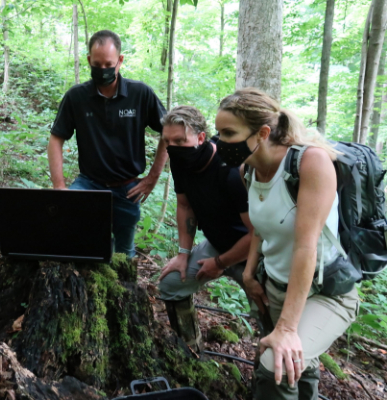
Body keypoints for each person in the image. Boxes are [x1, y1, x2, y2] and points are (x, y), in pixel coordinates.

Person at [215, 88, 358, 400]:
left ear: (263, 132)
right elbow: (260, 229)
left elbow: (306, 245)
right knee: (298, 369)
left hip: (324, 291)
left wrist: (288, 329)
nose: (221, 142)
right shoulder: (247, 170)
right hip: (275, 287)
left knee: (274, 367)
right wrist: (250, 274)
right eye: (219, 132)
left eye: (229, 133)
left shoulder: (310, 163)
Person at [47, 30, 167, 257]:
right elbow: (56, 138)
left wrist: (152, 178)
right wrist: (59, 186)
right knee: (70, 229)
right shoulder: (77, 97)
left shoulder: (140, 94)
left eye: (109, 64)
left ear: (120, 60)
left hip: (128, 187)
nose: (103, 70)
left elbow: (169, 133)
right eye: (97, 64)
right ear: (89, 60)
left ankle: (124, 288)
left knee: (124, 252)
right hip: (89, 183)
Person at [157, 106, 254, 350]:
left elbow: (257, 235)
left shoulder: (232, 170)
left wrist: (220, 263)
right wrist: (183, 254)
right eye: (167, 141)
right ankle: (190, 349)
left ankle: (270, 372)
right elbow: (185, 205)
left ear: (201, 137)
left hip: (256, 253)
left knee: (271, 317)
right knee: (170, 284)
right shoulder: (181, 163)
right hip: (217, 244)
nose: (172, 147)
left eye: (180, 140)